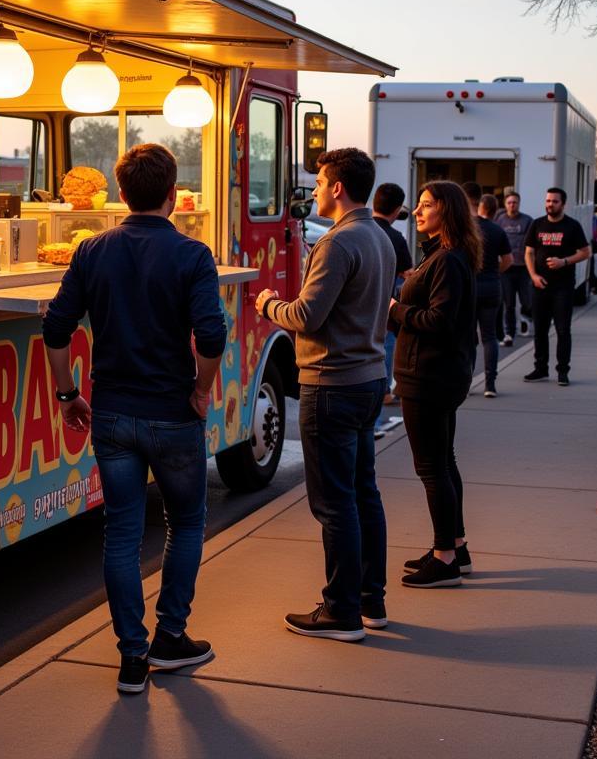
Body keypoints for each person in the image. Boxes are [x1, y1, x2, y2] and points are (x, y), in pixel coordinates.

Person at [42, 143, 226, 694]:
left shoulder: (92, 249)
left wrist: (66, 394)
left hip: (113, 415)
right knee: (185, 523)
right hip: (172, 413)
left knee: (121, 534)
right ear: (173, 195)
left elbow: (56, 328)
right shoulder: (193, 256)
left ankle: (131, 658)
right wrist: (200, 390)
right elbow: (211, 336)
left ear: (121, 194)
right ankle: (171, 637)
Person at [256, 148, 394, 641]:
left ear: (337, 187)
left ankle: (339, 611)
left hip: (332, 383)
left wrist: (269, 303)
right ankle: (370, 600)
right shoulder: (379, 236)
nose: (312, 190)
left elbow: (308, 316)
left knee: (334, 504)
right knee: (363, 493)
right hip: (369, 378)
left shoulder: (337, 243)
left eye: (317, 182)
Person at [389, 181, 479, 588]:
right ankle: (455, 547)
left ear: (448, 212)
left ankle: (444, 557)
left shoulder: (446, 261)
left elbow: (439, 321)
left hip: (428, 375)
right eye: (419, 205)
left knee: (432, 467)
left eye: (427, 205)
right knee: (445, 461)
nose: (418, 211)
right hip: (437, 373)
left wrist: (396, 309)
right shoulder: (444, 256)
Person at [523, 187, 591, 387]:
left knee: (563, 330)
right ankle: (540, 368)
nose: (550, 204)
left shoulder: (572, 226)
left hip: (563, 286)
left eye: (554, 201)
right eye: (548, 201)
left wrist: (564, 261)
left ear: (563, 204)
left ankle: (563, 371)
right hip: (540, 285)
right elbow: (529, 253)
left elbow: (585, 252)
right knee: (540, 330)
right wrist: (533, 275)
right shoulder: (537, 225)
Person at [371, 182, 413, 436]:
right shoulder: (395, 238)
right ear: (397, 210)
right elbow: (407, 273)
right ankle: (374, 424)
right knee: (381, 363)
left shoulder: (355, 230)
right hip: (385, 312)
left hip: (353, 311)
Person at [462, 184, 511, 399]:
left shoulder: (464, 229)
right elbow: (508, 260)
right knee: (490, 336)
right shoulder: (497, 229)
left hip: (469, 287)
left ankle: (467, 381)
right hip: (492, 286)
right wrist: (493, 272)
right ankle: (490, 384)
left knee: (468, 337)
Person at [495, 191, 534, 344]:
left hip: (523, 267)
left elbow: (532, 244)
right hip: (507, 269)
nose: (512, 205)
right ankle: (509, 332)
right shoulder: (500, 221)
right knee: (509, 303)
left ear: (519, 203)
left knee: (526, 300)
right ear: (505, 204)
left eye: (515, 202)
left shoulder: (527, 221)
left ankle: (526, 320)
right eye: (509, 202)